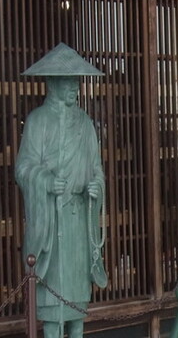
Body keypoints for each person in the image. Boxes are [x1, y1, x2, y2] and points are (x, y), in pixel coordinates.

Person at [15, 43, 108, 338]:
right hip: (51, 224)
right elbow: (23, 168)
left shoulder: (85, 124)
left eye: (77, 81)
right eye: (68, 81)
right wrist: (44, 180)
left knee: (77, 307)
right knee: (54, 311)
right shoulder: (37, 121)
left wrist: (96, 186)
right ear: (52, 83)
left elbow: (97, 169)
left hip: (78, 219)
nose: (75, 87)